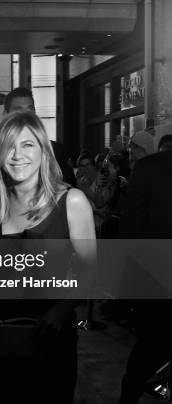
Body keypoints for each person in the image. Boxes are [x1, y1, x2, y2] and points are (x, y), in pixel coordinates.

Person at [0, 111, 96, 403]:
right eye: (9, 146)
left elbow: (90, 272)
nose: (17, 155)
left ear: (43, 151)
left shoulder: (71, 201)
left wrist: (60, 311)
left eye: (27, 145)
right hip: (1, 343)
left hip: (50, 341)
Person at [117, 143, 172, 404]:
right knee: (150, 349)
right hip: (157, 282)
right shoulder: (151, 168)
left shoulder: (150, 168)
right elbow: (130, 231)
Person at [0, 87, 76, 185]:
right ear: (6, 114)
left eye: (30, 109)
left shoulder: (56, 151)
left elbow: (67, 185)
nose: (26, 115)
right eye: (18, 110)